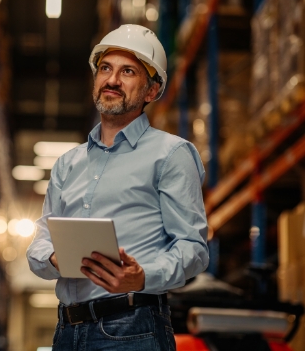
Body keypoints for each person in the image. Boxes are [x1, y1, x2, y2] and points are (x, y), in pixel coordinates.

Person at [27, 24, 209, 351]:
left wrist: (143, 276)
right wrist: (55, 257)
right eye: (105, 69)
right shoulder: (68, 164)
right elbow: (41, 239)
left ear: (151, 91)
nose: (112, 80)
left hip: (132, 329)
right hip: (67, 332)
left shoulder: (171, 154)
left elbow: (193, 249)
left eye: (128, 72)